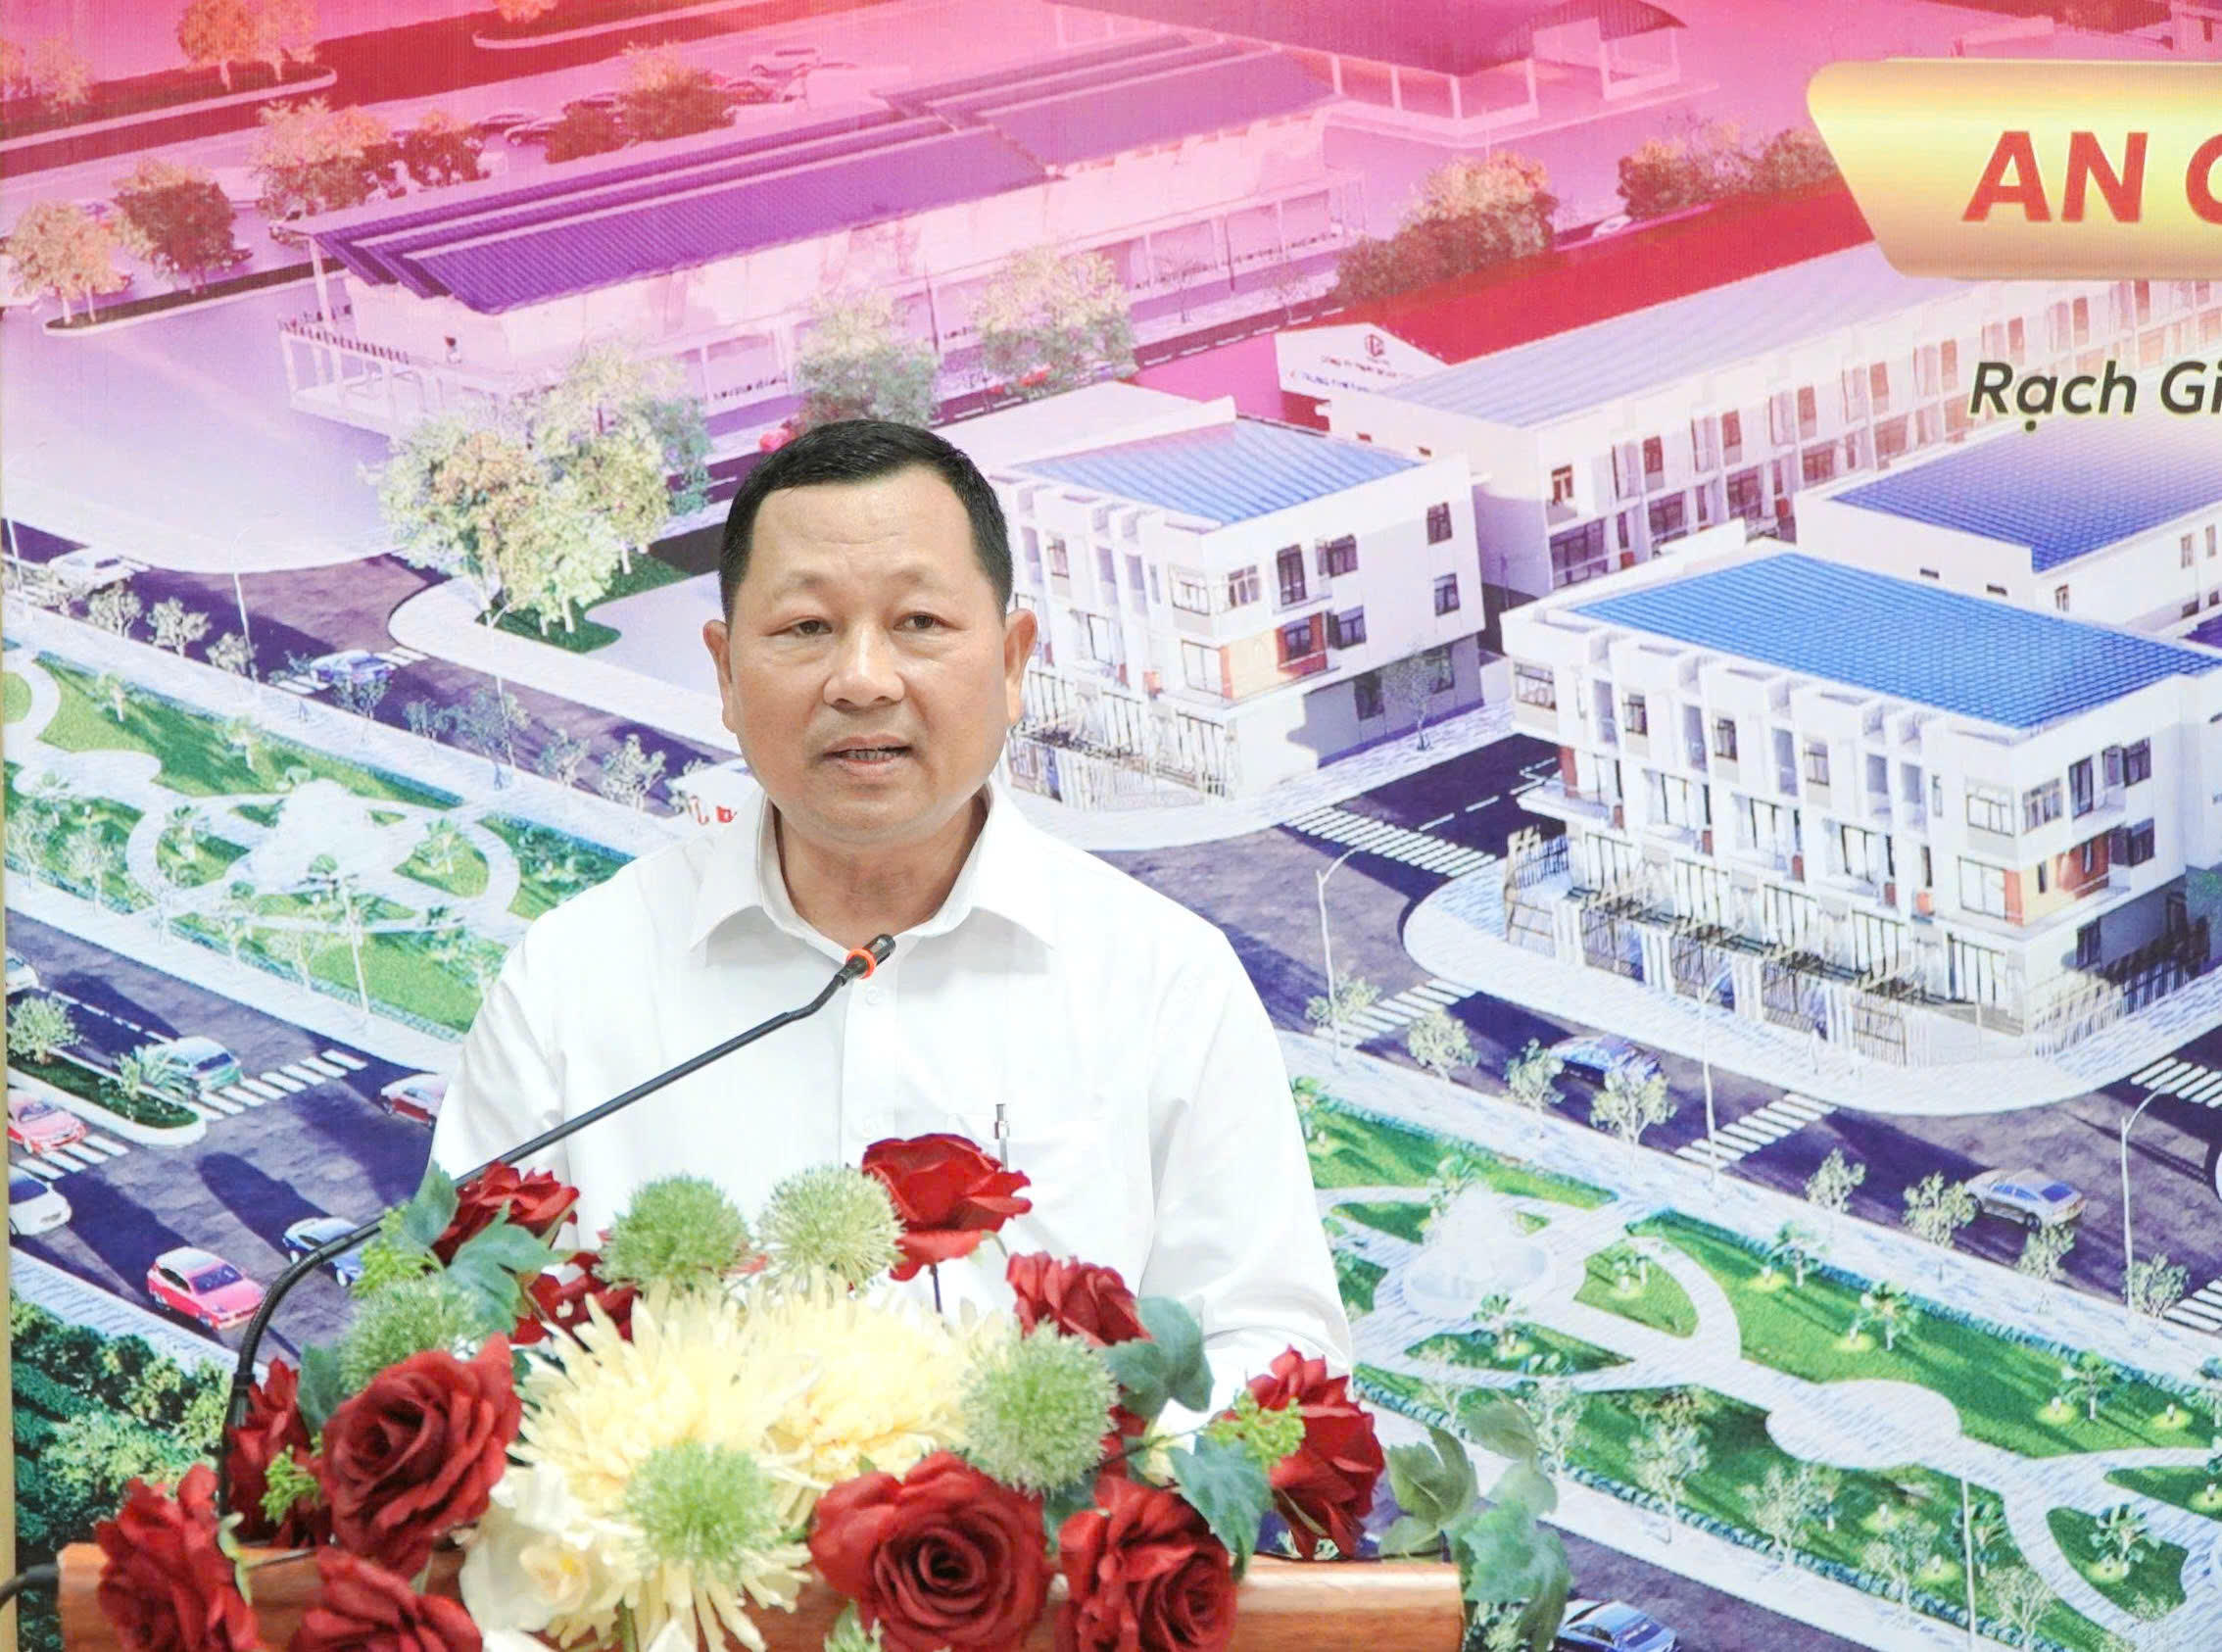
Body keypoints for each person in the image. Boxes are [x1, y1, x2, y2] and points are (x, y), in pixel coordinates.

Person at [430, 417, 1351, 1399]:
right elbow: (461, 1341)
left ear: (1012, 661)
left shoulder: (1165, 979)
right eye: (805, 629)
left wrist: (1075, 1467)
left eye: (918, 623)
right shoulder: (573, 977)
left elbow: (1269, 1349)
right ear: (726, 674)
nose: (863, 680)